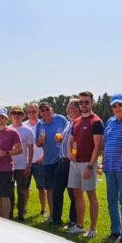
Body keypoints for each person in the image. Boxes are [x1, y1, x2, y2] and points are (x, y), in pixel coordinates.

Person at [67, 91, 104, 238]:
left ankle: (93, 229)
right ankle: (80, 225)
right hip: (75, 163)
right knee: (77, 195)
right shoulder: (75, 121)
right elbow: (70, 141)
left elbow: (98, 147)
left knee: (91, 195)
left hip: (88, 164)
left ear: (92, 103)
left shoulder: (96, 121)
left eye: (86, 102)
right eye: (81, 102)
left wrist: (90, 166)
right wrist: (69, 153)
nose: (83, 104)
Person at [102, 93, 122, 243]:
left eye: (119, 105)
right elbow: (106, 142)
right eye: (114, 105)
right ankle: (115, 231)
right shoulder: (110, 121)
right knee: (111, 200)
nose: (117, 108)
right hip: (109, 166)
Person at [34, 102, 69, 225]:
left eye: (47, 109)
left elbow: (71, 133)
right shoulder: (40, 124)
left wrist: (62, 138)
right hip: (48, 161)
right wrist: (39, 142)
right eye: (42, 110)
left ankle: (72, 219)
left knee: (67, 189)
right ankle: (53, 214)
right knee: (49, 188)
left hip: (62, 159)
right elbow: (37, 144)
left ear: (52, 109)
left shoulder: (61, 119)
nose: (45, 112)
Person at [55, 99, 81, 231]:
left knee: (73, 193)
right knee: (57, 190)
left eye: (69, 108)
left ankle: (73, 221)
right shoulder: (68, 123)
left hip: (71, 162)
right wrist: (59, 141)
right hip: (62, 161)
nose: (67, 110)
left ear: (76, 109)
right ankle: (56, 218)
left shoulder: (79, 123)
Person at [9, 106, 35, 220]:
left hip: (22, 165)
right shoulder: (7, 129)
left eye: (19, 113)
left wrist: (29, 165)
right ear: (10, 115)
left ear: (23, 116)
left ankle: (20, 214)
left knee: (21, 191)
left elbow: (31, 149)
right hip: (8, 166)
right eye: (14, 113)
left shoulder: (27, 130)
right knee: (9, 191)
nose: (16, 115)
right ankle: (9, 214)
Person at [24, 103, 48, 217]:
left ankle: (43, 209)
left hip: (40, 161)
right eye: (29, 112)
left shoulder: (43, 124)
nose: (31, 114)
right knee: (25, 188)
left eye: (34, 111)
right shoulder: (24, 126)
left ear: (38, 112)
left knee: (42, 188)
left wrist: (43, 158)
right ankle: (24, 208)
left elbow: (49, 144)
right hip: (26, 162)